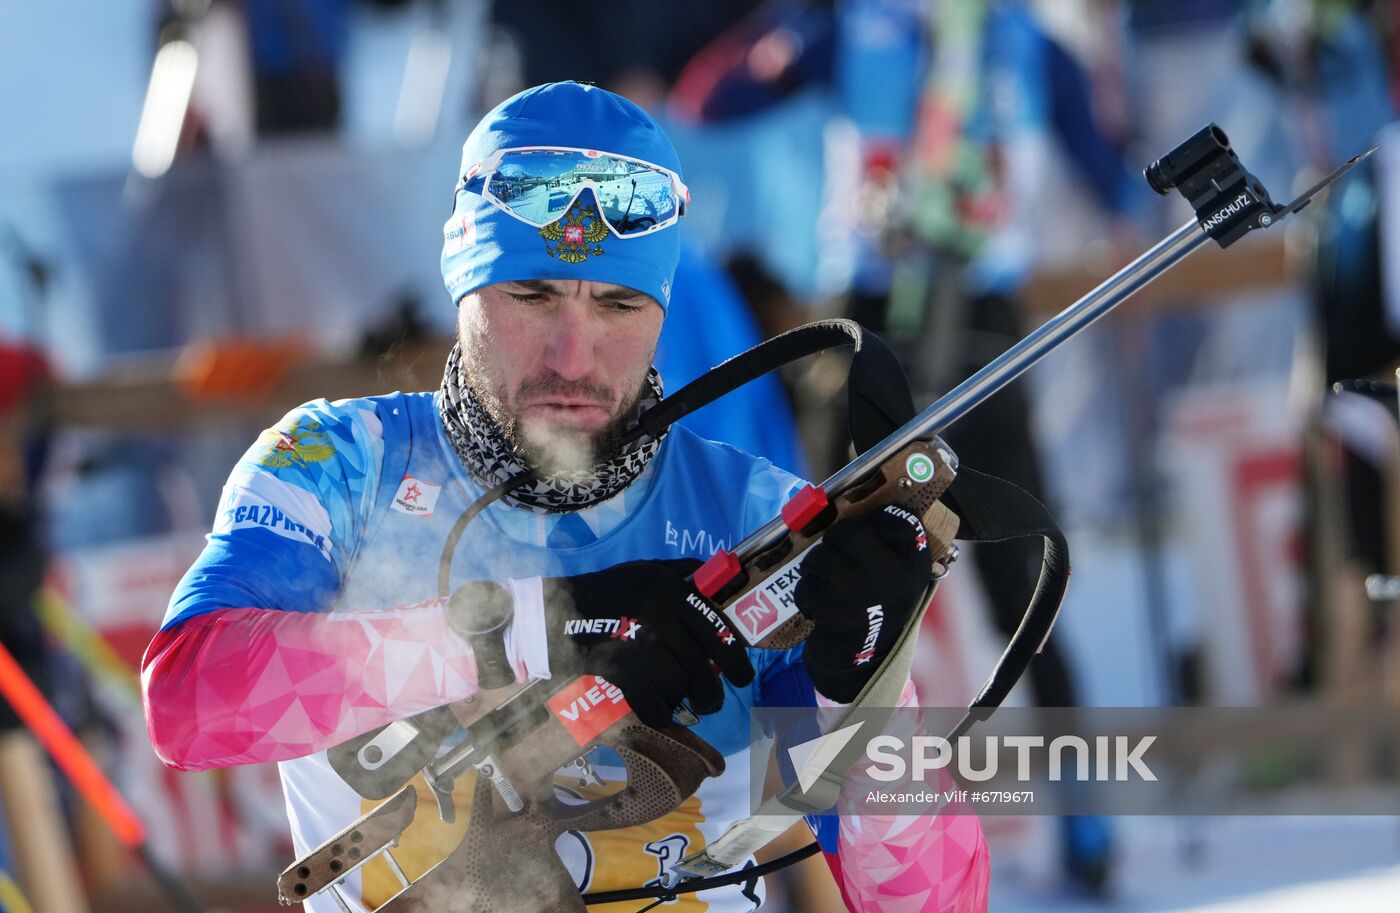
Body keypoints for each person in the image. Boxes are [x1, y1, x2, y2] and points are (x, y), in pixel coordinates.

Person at [141, 82, 988, 912]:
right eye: (531, 295)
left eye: (620, 303)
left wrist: (868, 696)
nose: (573, 358)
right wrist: (533, 629)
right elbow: (187, 706)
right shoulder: (339, 464)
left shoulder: (758, 520)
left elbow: (935, 904)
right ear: (462, 283)